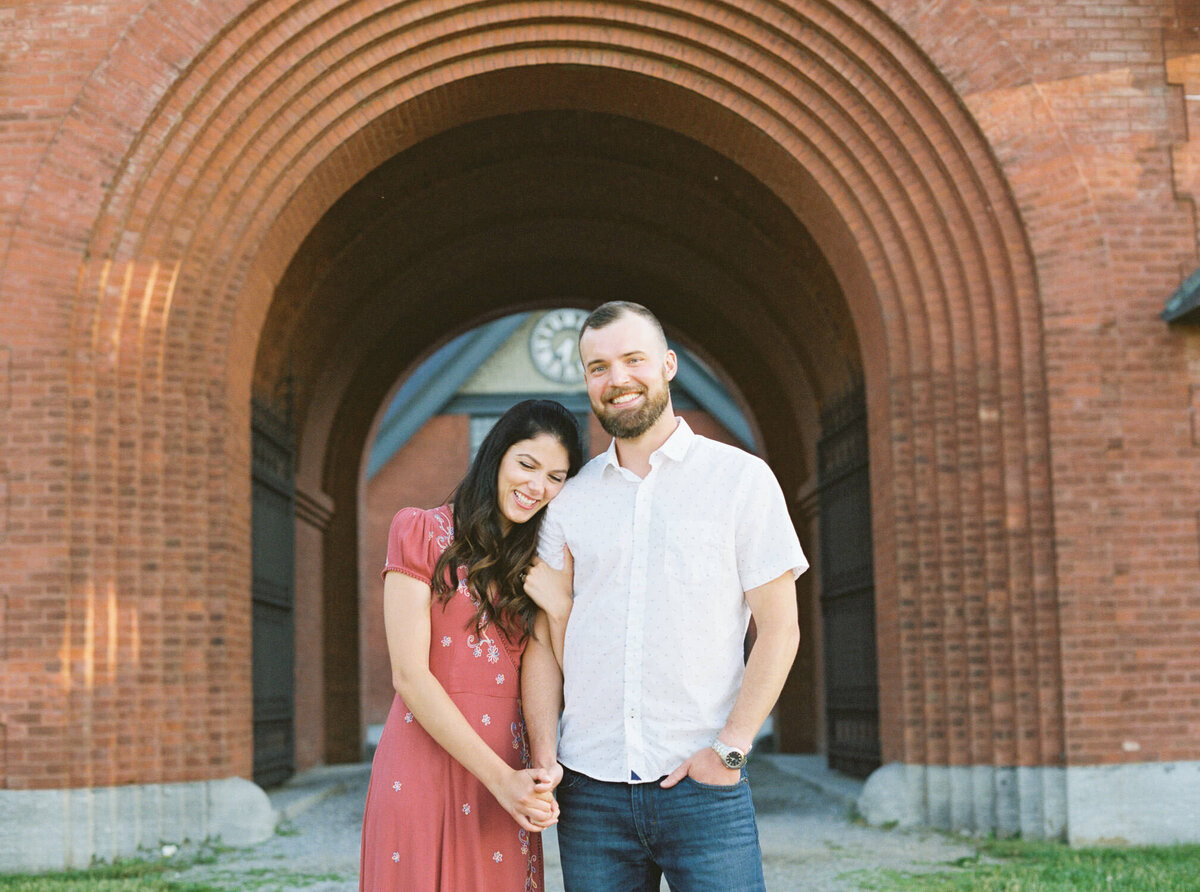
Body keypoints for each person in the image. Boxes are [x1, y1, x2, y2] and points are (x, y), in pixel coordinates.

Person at [522, 302, 808, 891]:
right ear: (586, 381)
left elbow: (780, 630)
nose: (617, 378)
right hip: (590, 792)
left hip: (703, 788)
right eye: (598, 366)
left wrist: (729, 751)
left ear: (669, 365)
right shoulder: (570, 501)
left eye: (633, 359)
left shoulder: (741, 480)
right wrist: (546, 754)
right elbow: (546, 646)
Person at [360, 398, 584, 891]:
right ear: (496, 455)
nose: (536, 486)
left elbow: (566, 669)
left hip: (512, 765)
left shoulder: (547, 562)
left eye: (556, 476)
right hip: (423, 759)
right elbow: (409, 674)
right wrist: (500, 780)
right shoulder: (420, 530)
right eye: (526, 464)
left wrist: (563, 608)